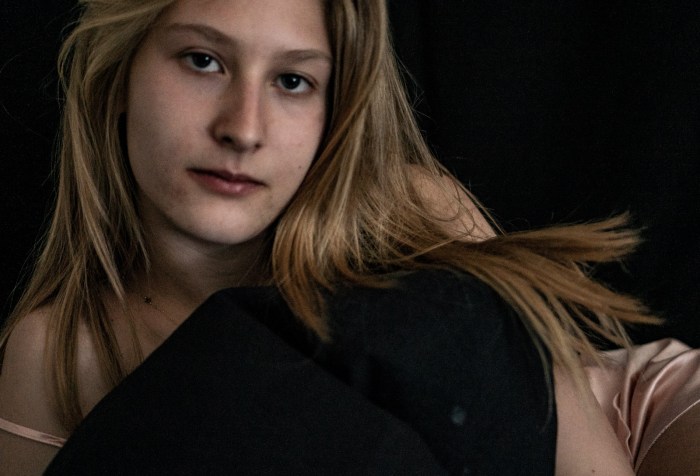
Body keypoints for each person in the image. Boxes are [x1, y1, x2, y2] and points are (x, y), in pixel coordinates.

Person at [0, 0, 697, 474]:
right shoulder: (62, 348)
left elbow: (563, 425)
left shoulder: (409, 208)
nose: (243, 128)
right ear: (119, 75)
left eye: (292, 80)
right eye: (203, 61)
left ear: (336, 109)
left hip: (609, 423)